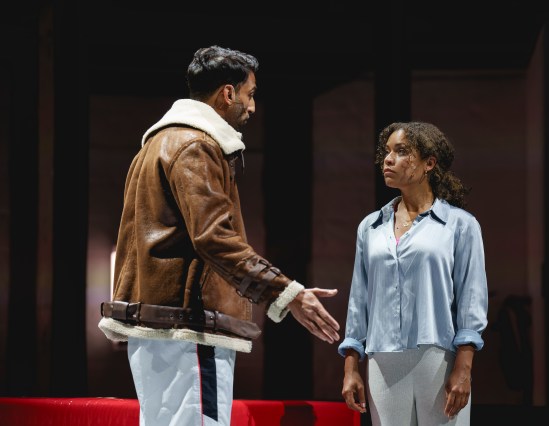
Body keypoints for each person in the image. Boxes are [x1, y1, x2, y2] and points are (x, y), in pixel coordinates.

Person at [98, 45, 341, 426]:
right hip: (189, 326)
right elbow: (214, 238)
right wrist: (286, 292)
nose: (253, 107)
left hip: (163, 328)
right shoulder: (196, 145)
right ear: (228, 93)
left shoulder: (158, 144)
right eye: (250, 94)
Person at [338, 121, 488, 425]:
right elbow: (359, 300)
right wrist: (351, 366)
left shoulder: (460, 225)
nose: (388, 159)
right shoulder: (370, 227)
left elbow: (472, 299)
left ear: (428, 163)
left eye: (401, 151)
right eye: (387, 152)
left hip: (439, 357)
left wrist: (464, 367)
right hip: (382, 360)